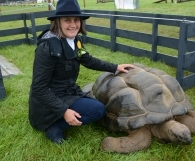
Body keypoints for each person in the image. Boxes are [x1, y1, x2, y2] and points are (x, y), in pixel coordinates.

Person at [28, 0, 134, 144]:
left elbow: (87, 60)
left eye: (76, 20)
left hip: (67, 92)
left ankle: (63, 116)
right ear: (57, 22)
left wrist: (115, 67)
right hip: (49, 99)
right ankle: (54, 127)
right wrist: (64, 111)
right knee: (97, 110)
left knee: (98, 107)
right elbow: (38, 88)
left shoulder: (75, 40)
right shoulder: (47, 47)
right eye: (67, 20)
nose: (73, 25)